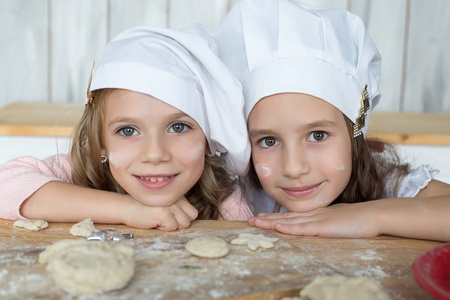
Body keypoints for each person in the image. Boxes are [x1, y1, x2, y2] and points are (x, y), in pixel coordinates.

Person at [213, 0, 450, 241]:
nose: (294, 168)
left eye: (317, 135)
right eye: (269, 141)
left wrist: (371, 216)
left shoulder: (384, 185)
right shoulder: (237, 196)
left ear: (354, 131)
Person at [0, 25, 251, 230]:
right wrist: (127, 208)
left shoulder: (228, 205)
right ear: (100, 143)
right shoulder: (78, 173)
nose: (155, 154)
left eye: (177, 127)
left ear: (208, 140)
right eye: (128, 131)